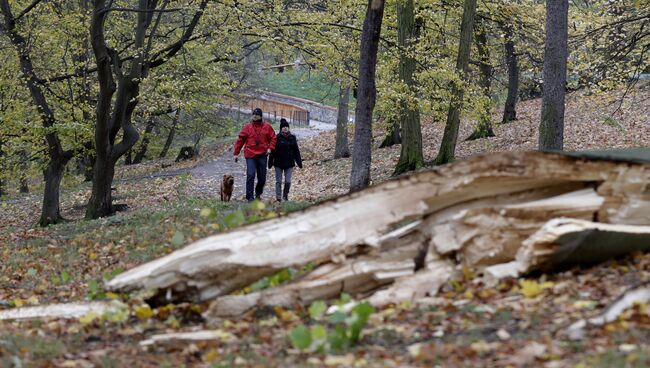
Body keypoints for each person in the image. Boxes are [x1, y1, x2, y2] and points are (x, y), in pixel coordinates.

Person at [233, 108, 277, 201]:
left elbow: (273, 138)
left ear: (260, 116)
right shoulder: (247, 127)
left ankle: (258, 193)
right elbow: (240, 140)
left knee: (262, 178)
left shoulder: (267, 127)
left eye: (257, 115)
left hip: (262, 155)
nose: (255, 116)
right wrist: (236, 153)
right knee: (250, 175)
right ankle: (250, 196)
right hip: (250, 155)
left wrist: (270, 148)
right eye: (253, 114)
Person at [269, 118, 302, 202]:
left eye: (286, 126)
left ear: (288, 128)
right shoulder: (277, 138)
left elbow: (296, 151)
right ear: (281, 128)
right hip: (278, 163)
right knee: (278, 181)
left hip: (289, 163)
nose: (285, 128)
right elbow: (272, 151)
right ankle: (278, 197)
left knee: (288, 181)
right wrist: (270, 162)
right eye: (283, 127)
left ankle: (285, 195)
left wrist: (299, 162)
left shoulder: (292, 138)